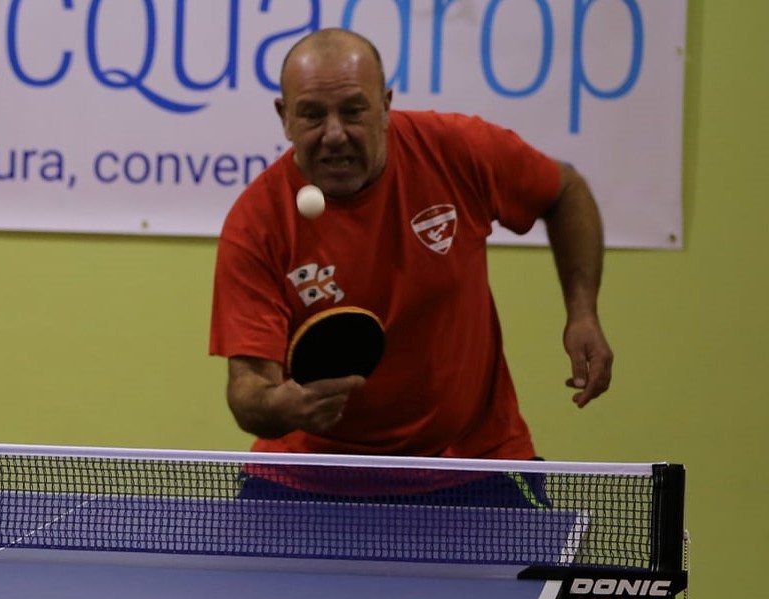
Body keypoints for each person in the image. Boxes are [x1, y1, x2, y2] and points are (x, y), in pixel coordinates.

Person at [209, 29, 613, 485]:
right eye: (312, 114)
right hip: (309, 473)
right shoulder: (257, 223)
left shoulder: (455, 150)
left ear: (385, 105)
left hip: (472, 461)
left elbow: (565, 191)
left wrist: (583, 313)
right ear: (285, 118)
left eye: (354, 110)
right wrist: (280, 406)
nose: (334, 134)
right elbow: (247, 392)